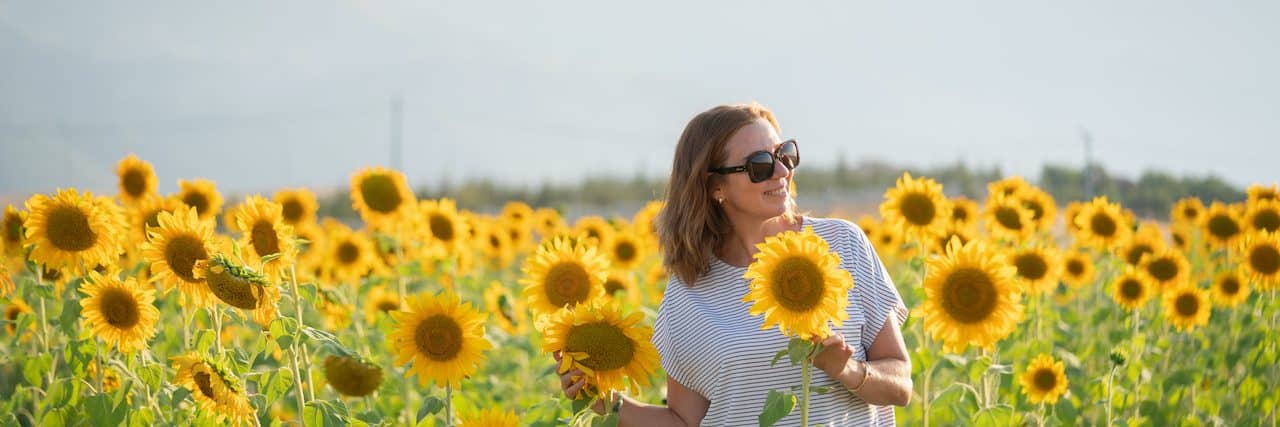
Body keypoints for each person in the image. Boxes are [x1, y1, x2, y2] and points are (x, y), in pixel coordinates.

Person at [556, 103, 912, 426]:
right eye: (759, 165)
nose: (780, 171)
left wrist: (847, 370)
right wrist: (606, 403)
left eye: (784, 154)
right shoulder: (689, 292)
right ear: (715, 188)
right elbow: (684, 420)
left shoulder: (842, 244)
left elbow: (901, 385)